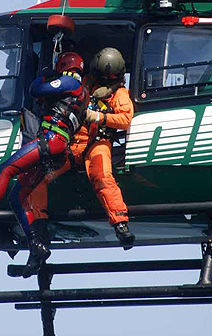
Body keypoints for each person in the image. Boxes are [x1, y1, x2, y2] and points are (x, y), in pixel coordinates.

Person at [0, 50, 89, 277]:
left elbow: (35, 90)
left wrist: (43, 76)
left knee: (4, 170)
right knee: (18, 196)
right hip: (57, 147)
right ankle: (36, 246)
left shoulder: (70, 82)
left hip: (50, 140)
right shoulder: (83, 93)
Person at [24, 47, 135, 252]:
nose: (105, 81)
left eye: (109, 78)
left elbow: (125, 119)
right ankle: (38, 227)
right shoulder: (81, 85)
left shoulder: (119, 94)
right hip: (72, 143)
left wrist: (99, 117)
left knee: (102, 176)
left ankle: (120, 224)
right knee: (38, 176)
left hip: (97, 142)